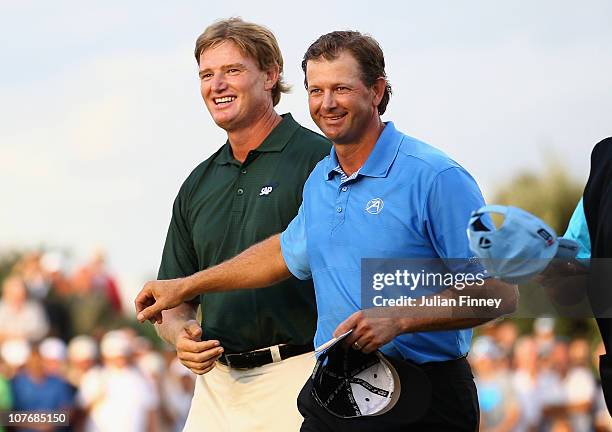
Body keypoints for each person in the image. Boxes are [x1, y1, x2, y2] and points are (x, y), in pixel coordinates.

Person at [137, 30, 517, 431]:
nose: (327, 103)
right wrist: (183, 287)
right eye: (316, 90)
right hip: (335, 388)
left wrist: (401, 318)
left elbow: (501, 292)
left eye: (341, 88)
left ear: (376, 91)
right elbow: (281, 254)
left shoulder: (436, 176)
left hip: (423, 393)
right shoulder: (323, 178)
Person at [150, 18, 330, 432]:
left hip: (302, 373)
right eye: (206, 75)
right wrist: (180, 337)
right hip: (216, 387)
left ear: (270, 75)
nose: (217, 85)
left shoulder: (319, 160)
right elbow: (173, 300)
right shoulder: (198, 182)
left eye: (232, 70)